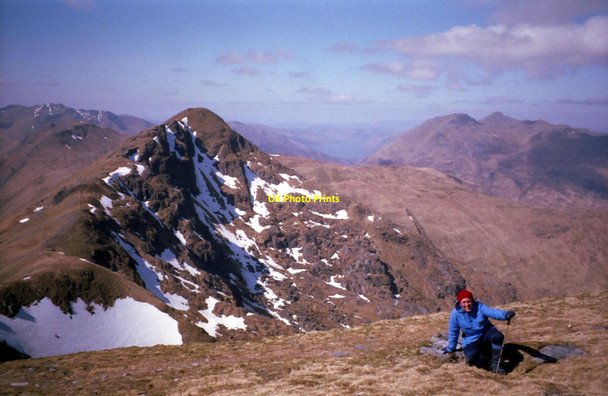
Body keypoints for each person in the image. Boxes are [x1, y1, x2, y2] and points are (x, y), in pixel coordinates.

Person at [444, 289, 515, 374]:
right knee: (471, 357)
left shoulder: (480, 307)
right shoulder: (455, 314)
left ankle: (496, 365)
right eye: (464, 302)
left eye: (469, 301)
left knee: (498, 336)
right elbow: (453, 332)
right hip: (471, 340)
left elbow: (492, 312)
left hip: (486, 334)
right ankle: (489, 365)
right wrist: (451, 348)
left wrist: (505, 315)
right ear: (459, 303)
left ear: (472, 301)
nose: (467, 305)